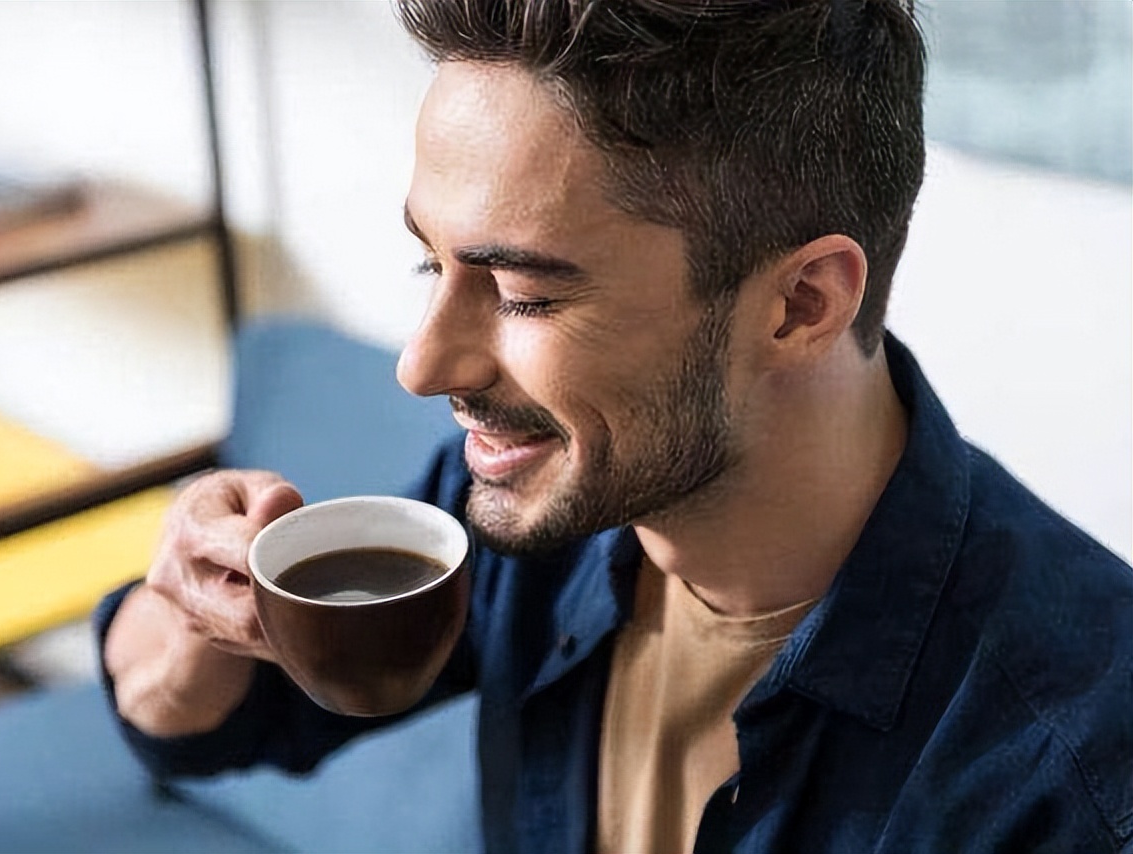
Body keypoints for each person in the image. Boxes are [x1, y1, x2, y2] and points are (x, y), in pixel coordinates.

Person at [96, 1, 1133, 851]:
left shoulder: (1074, 772)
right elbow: (192, 726)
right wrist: (192, 609)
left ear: (801, 303)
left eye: (522, 293)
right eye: (433, 262)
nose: (421, 364)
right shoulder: (540, 507)